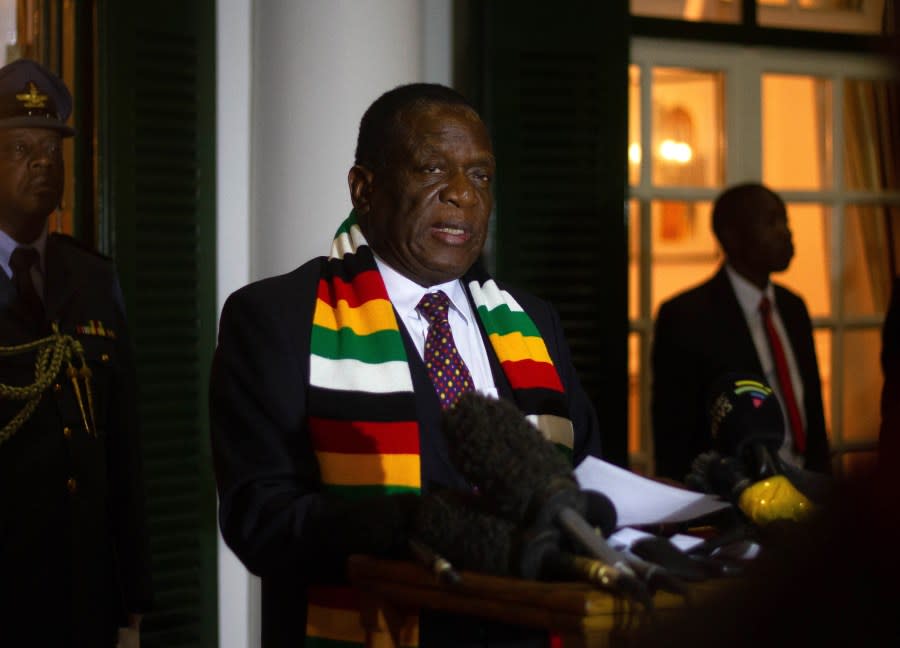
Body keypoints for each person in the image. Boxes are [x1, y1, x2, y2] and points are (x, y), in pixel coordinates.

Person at [209, 83, 602, 648]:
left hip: (529, 627)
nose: (462, 195)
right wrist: (407, 524)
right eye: (432, 170)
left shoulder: (533, 321)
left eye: (481, 176)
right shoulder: (276, 318)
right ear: (364, 188)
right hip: (375, 626)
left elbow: (585, 471)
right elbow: (262, 523)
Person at [0, 59, 152, 647]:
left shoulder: (92, 278)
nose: (43, 161)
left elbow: (124, 449)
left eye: (52, 149)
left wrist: (133, 606)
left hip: (84, 601)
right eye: (19, 148)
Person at [651, 182, 830, 483]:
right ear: (731, 237)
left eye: (785, 220)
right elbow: (674, 434)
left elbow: (811, 405)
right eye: (771, 221)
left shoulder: (793, 306)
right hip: (735, 497)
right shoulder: (686, 316)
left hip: (807, 486)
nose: (785, 232)